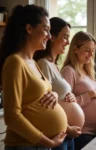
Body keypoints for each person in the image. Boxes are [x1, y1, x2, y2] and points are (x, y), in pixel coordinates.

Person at [0, 5, 68, 150]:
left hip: (38, 145)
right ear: (29, 29)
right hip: (25, 145)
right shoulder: (15, 62)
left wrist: (54, 95)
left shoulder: (32, 62)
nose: (49, 36)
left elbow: (37, 96)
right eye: (46, 29)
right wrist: (46, 142)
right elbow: (12, 117)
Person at [34, 17, 85, 150]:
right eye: (65, 37)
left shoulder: (55, 65)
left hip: (67, 134)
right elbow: (45, 104)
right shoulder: (43, 64)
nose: (68, 42)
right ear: (52, 37)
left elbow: (59, 95)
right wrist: (67, 128)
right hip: (58, 135)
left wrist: (71, 97)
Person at [61, 31, 96, 150]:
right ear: (75, 49)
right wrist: (90, 94)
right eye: (87, 50)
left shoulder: (88, 72)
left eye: (92, 50)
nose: (91, 54)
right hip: (82, 133)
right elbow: (66, 106)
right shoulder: (69, 71)